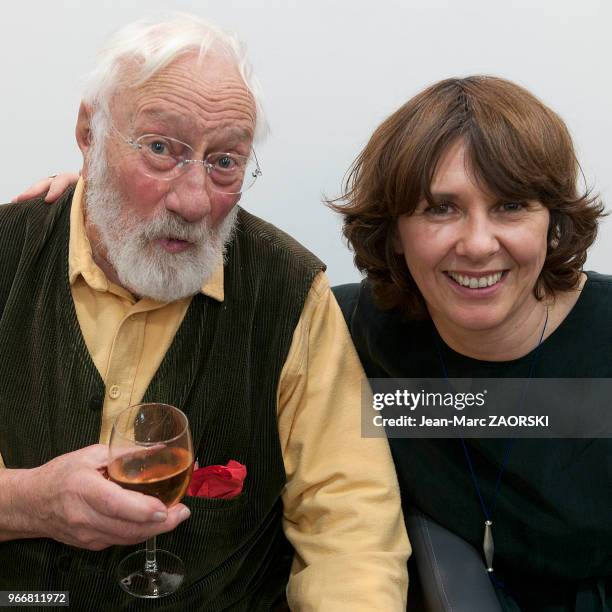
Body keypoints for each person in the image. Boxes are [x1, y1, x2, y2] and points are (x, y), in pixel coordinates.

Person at [0, 13, 409, 611]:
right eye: (161, 149)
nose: (194, 201)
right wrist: (27, 500)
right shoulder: (8, 254)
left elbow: (350, 526)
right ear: (89, 133)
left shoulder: (290, 290)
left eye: (224, 161)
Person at [330, 75, 611, 611]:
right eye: (441, 208)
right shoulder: (346, 329)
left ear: (552, 221)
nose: (479, 244)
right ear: (393, 230)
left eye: (511, 206)